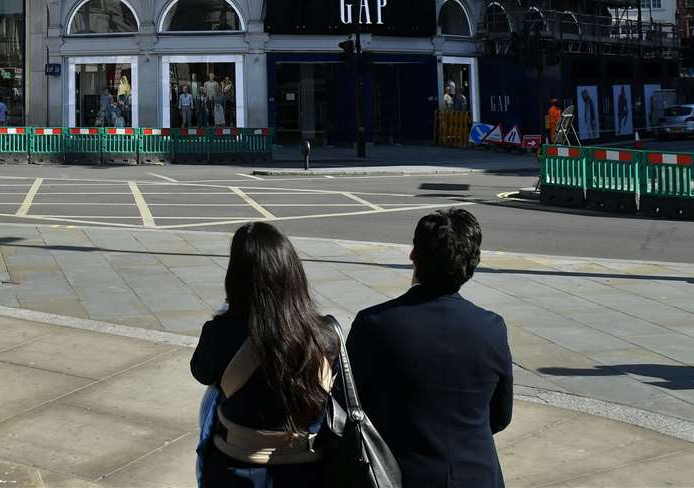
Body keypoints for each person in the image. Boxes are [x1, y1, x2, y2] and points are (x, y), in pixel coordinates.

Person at [347, 209, 511, 488]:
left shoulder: (374, 324)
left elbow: (351, 407)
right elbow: (500, 416)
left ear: (413, 256)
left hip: (396, 475)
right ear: (472, 265)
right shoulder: (491, 328)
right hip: (476, 475)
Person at [191, 222, 335, 486]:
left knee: (214, 398)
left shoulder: (220, 332)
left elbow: (201, 372)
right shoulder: (326, 335)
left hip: (237, 468)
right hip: (308, 471)